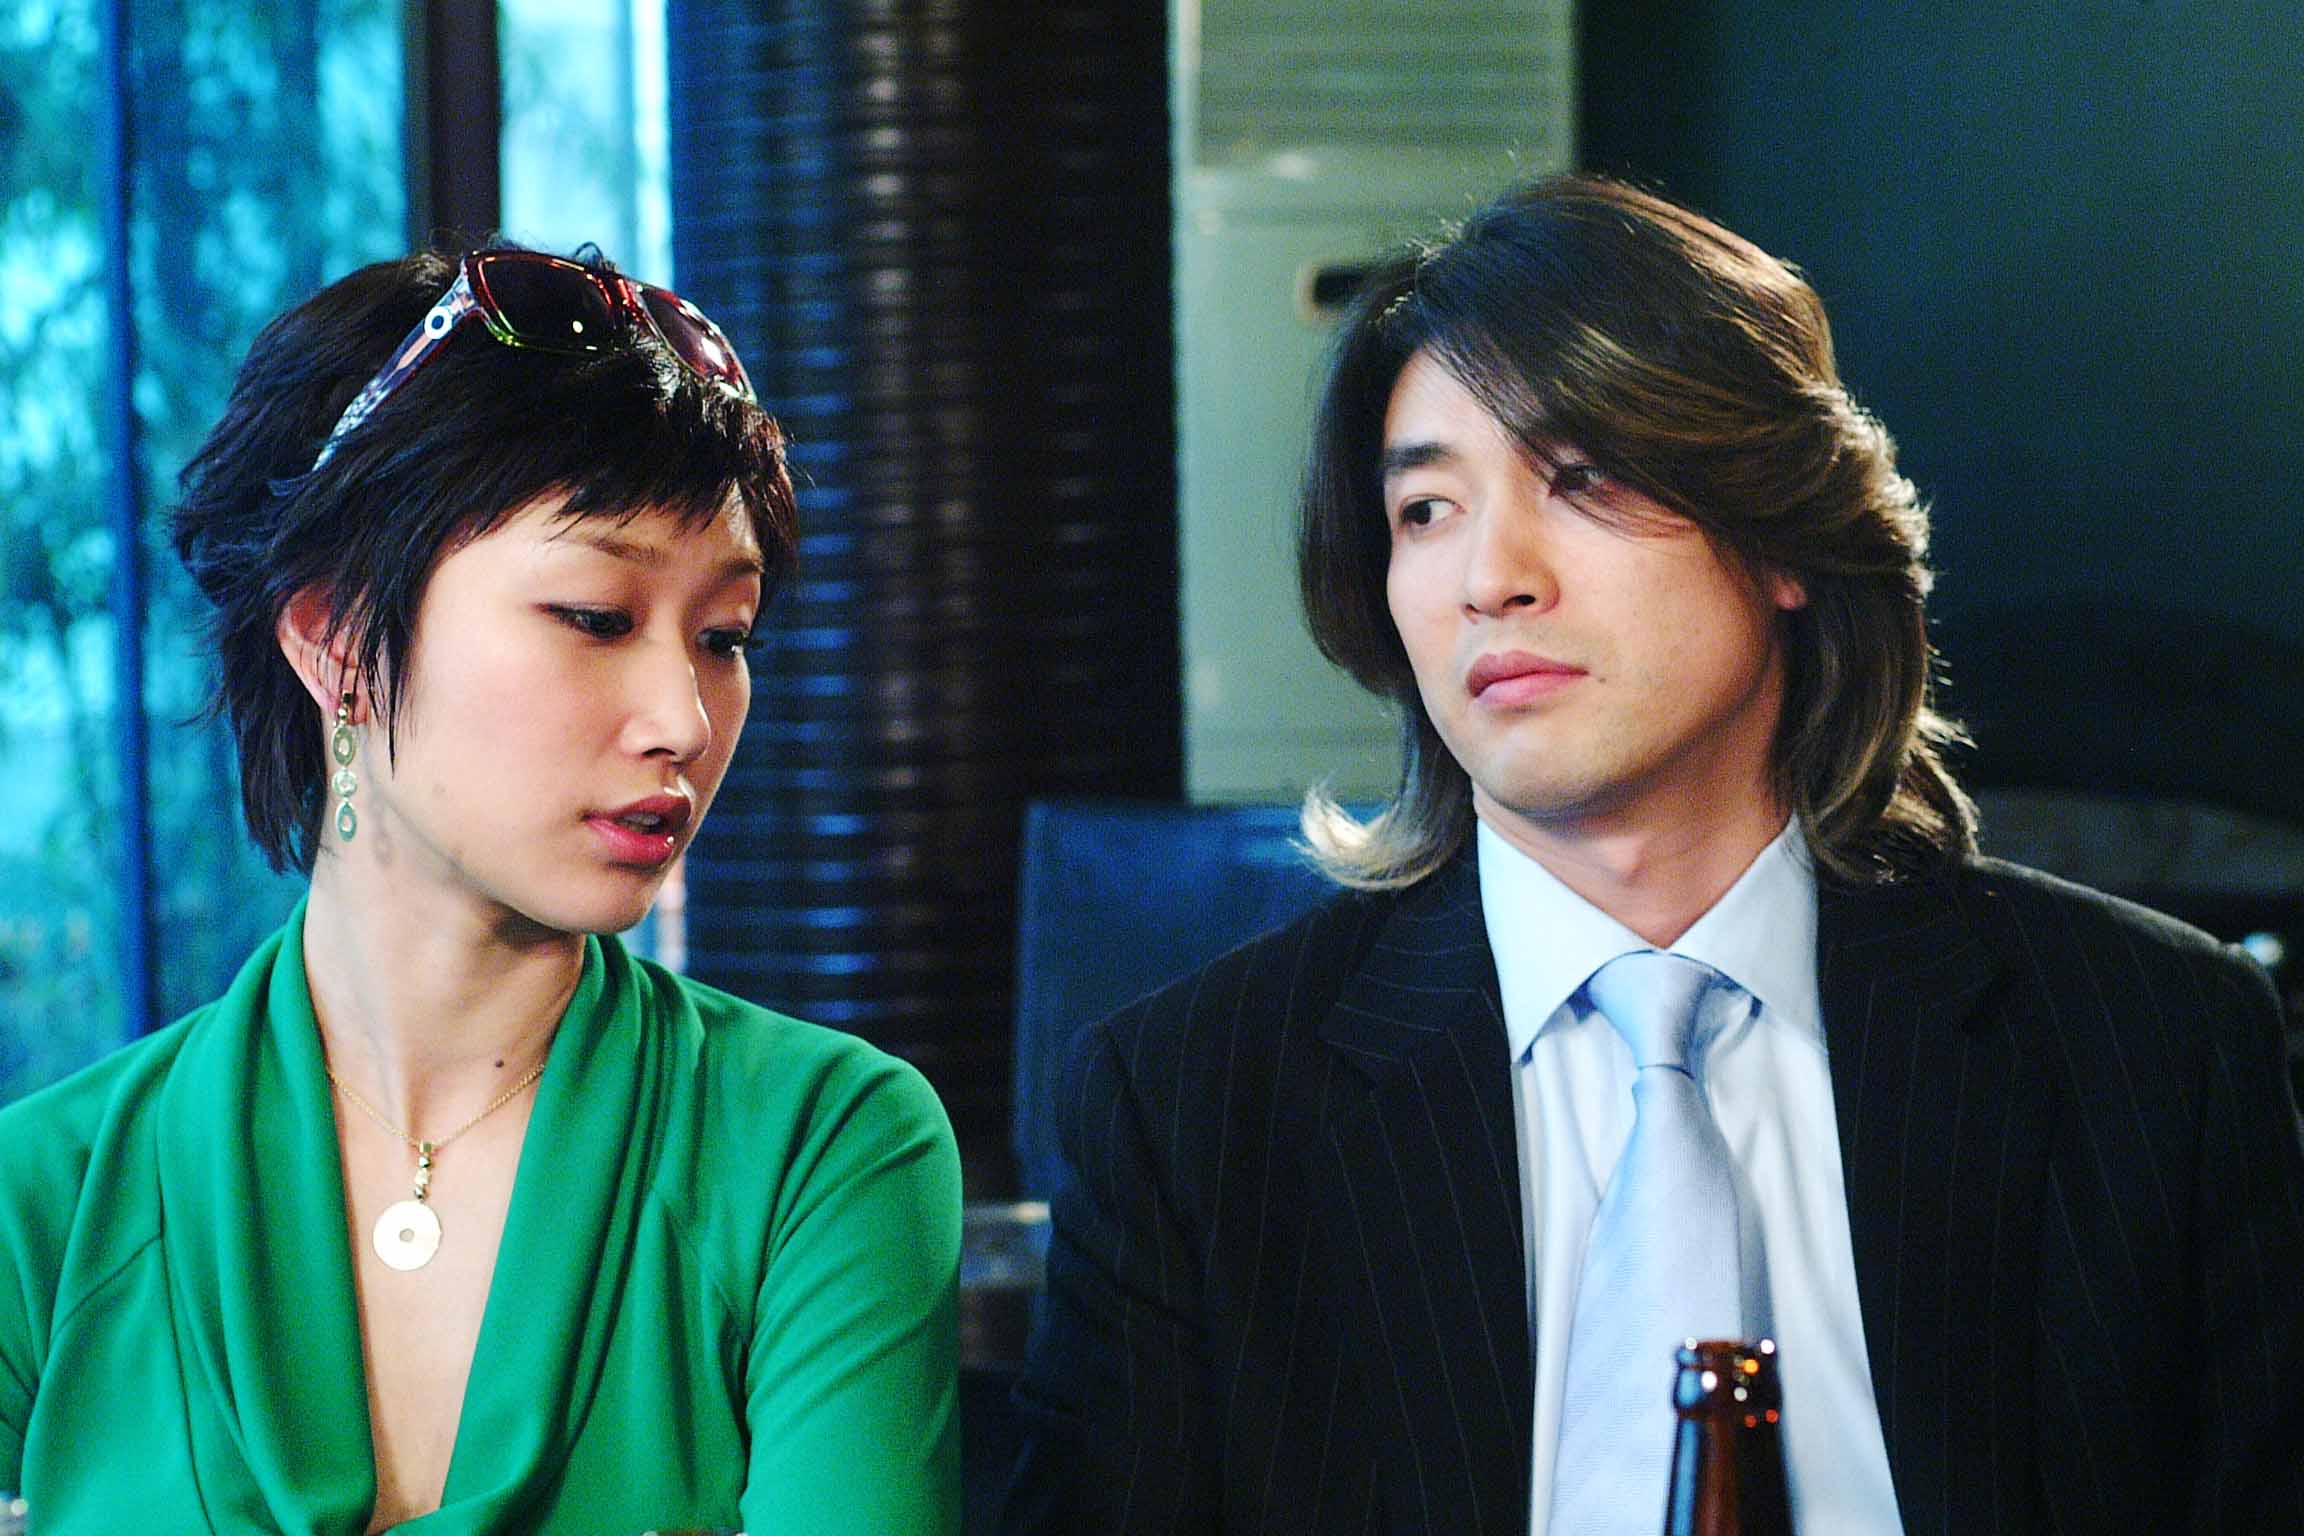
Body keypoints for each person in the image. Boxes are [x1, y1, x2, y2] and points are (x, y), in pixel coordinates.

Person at [1002, 176, 2304, 1535]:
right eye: (1426, 510)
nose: (1490, 577)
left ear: (1786, 539)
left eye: (1583, 478)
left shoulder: (2153, 1048)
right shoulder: (1191, 1110)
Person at [0, 248, 961, 1533]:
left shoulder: (819, 1149)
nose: (683, 720)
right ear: (336, 639)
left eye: (724, 638)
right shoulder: (49, 1202)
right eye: (597, 616)